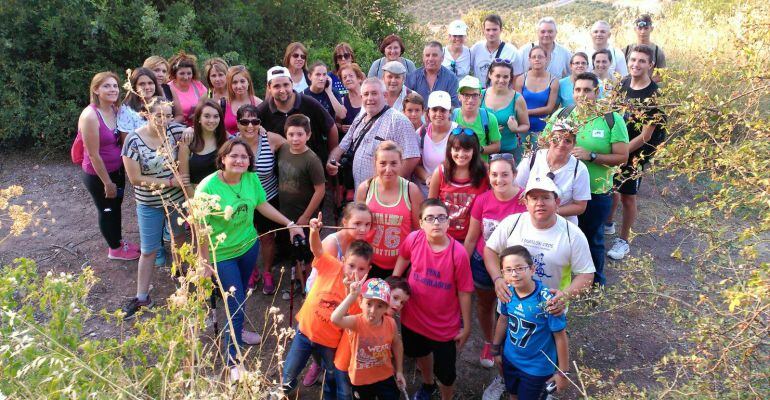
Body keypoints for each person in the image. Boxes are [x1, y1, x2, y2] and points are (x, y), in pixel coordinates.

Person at [195, 138, 303, 382]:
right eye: (234, 155)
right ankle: (233, 360)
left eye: (244, 157)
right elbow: (199, 227)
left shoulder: (251, 179)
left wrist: (289, 224)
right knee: (235, 301)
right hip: (221, 254)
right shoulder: (207, 187)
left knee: (240, 296)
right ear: (223, 158)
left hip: (248, 247)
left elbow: (262, 205)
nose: (240, 160)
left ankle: (238, 331)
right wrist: (203, 261)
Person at [481, 175, 593, 399]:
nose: (539, 203)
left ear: (557, 202)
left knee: (544, 352)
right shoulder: (513, 223)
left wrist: (564, 296)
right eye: (533, 198)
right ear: (525, 201)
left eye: (546, 198)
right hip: (513, 300)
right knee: (510, 348)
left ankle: (546, 386)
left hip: (549, 308)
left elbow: (587, 274)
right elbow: (490, 250)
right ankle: (506, 380)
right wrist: (497, 279)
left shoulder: (572, 233)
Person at [547, 72, 629, 286]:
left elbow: (622, 156)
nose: (582, 95)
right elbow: (544, 142)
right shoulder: (563, 115)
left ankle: (595, 283)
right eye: (578, 90)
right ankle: (560, 282)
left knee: (592, 238)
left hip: (596, 191)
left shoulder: (611, 119)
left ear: (597, 92)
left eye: (587, 90)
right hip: (563, 191)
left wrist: (592, 156)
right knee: (561, 237)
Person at [280, 217, 372, 400]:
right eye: (351, 265)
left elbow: (350, 325)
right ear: (344, 260)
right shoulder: (331, 265)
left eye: (361, 269)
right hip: (304, 332)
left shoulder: (361, 296)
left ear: (369, 269)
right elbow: (317, 250)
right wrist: (314, 232)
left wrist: (352, 294)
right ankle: (282, 392)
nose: (355, 272)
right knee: (289, 371)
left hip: (330, 343)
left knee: (331, 374)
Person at [392, 199, 473, 400]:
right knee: (421, 354)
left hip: (443, 326)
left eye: (441, 217)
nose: (436, 222)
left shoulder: (458, 254)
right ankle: (428, 385)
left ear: (448, 223)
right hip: (413, 317)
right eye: (430, 218)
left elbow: (464, 292)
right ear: (421, 223)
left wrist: (467, 326)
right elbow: (403, 256)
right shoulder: (414, 239)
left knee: (446, 373)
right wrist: (393, 284)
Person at [120, 97, 187, 319]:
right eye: (158, 115)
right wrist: (169, 182)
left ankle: (182, 279)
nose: (164, 120)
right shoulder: (133, 140)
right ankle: (141, 296)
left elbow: (194, 131)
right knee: (149, 250)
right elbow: (135, 178)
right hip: (149, 202)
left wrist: (191, 132)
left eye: (168, 115)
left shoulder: (175, 131)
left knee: (179, 240)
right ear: (146, 114)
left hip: (176, 200)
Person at [463, 153, 526, 369]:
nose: (499, 180)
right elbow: (472, 237)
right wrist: (461, 265)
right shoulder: (482, 200)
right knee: (485, 304)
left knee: (512, 308)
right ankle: (490, 342)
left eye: (505, 175)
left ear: (515, 175)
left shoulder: (525, 201)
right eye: (495, 175)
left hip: (515, 267)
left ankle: (511, 345)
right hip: (483, 262)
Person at [606, 45, 666, 261]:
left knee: (628, 196)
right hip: (618, 143)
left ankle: (624, 240)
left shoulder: (654, 95)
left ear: (650, 65)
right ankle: (608, 222)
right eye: (633, 60)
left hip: (638, 151)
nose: (636, 64)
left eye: (642, 61)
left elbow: (646, 136)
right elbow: (611, 113)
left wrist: (620, 155)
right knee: (611, 185)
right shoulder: (621, 84)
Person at [304, 203, 374, 386]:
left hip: (343, 293)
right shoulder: (331, 243)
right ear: (344, 222)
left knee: (335, 334)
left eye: (367, 224)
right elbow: (322, 274)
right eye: (358, 223)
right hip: (321, 291)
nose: (363, 229)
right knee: (316, 330)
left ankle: (332, 363)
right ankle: (317, 364)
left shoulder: (360, 244)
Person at [491, 245, 570, 399]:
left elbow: (560, 337)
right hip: (510, 359)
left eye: (520, 268)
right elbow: (503, 320)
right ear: (503, 274)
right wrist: (495, 348)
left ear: (532, 269)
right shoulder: (508, 292)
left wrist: (563, 372)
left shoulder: (547, 300)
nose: (514, 274)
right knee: (513, 394)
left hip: (537, 368)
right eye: (508, 269)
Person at [79, 71, 139, 261]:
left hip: (117, 170)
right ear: (96, 89)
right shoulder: (90, 116)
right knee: (106, 209)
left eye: (114, 86)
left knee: (116, 206)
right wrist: (107, 183)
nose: (112, 89)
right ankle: (114, 249)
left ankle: (119, 242)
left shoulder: (114, 109)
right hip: (99, 175)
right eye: (106, 86)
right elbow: (93, 154)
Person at [326, 78, 421, 189]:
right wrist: (331, 161)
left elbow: (412, 157)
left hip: (385, 196)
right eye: (366, 94)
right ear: (361, 98)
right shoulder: (359, 119)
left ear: (385, 95)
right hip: (361, 192)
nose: (370, 98)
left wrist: (389, 186)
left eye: (374, 93)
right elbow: (342, 146)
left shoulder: (398, 121)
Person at [232, 105, 285, 295]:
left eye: (255, 121)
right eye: (245, 122)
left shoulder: (270, 139)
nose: (250, 126)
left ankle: (267, 271)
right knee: (245, 238)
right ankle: (251, 270)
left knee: (267, 237)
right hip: (241, 200)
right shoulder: (232, 143)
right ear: (237, 123)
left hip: (268, 197)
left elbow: (295, 147)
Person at [354, 141, 423, 279]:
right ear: (375, 163)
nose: (388, 169)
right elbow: (356, 226)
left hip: (401, 264)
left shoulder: (411, 190)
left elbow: (418, 232)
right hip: (370, 263)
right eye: (383, 163)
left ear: (401, 163)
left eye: (393, 163)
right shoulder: (365, 189)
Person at [275, 114, 326, 293]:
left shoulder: (311, 160)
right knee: (294, 251)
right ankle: (298, 280)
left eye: (299, 134)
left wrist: (305, 215)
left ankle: (310, 285)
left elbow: (320, 190)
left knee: (308, 252)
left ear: (308, 135)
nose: (295, 139)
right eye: (291, 134)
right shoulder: (283, 149)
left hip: (305, 215)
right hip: (286, 213)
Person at [331, 278, 405, 400]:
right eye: (369, 303)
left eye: (379, 306)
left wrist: (399, 371)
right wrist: (352, 295)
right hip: (361, 381)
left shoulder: (391, 323)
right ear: (360, 302)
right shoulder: (356, 322)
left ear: (386, 308)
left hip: (385, 375)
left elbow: (397, 344)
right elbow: (335, 319)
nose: (372, 311)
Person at [256, 66, 337, 163]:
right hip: (282, 170)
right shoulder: (262, 111)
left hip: (314, 164)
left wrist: (332, 158)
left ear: (292, 84)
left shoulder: (309, 103)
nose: (282, 90)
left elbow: (331, 128)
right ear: (269, 88)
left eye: (286, 85)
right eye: (277, 86)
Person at [515, 122, 590, 226]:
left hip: (563, 224)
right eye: (556, 138)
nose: (561, 144)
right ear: (549, 139)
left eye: (567, 141)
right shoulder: (532, 158)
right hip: (531, 222)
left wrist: (550, 212)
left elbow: (580, 206)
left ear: (574, 144)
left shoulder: (579, 169)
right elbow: (516, 189)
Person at [428, 128, 489, 242]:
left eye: (466, 149)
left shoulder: (485, 171)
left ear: (474, 150)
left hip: (474, 239)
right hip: (444, 238)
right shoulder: (440, 171)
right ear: (449, 150)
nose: (461, 154)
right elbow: (429, 207)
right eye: (456, 149)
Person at [482, 59, 530, 162]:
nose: (501, 80)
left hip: (508, 151)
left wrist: (516, 129)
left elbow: (526, 125)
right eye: (497, 76)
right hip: (484, 151)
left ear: (510, 78)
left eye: (505, 77)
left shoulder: (517, 98)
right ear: (490, 75)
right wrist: (490, 130)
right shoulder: (480, 95)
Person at [178, 99, 229, 194]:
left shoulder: (225, 139)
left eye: (216, 116)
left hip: (223, 196)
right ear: (199, 119)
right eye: (207, 116)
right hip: (197, 197)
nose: (212, 120)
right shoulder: (188, 141)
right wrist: (195, 203)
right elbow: (185, 181)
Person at [515, 46, 559, 153]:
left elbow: (549, 108)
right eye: (533, 57)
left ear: (546, 59)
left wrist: (526, 112)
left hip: (542, 129)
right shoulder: (521, 79)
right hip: (522, 128)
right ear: (529, 60)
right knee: (521, 161)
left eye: (540, 56)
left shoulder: (553, 81)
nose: (537, 59)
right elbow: (517, 105)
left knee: (539, 160)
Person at [414, 91, 456, 196]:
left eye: (443, 110)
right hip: (425, 191)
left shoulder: (459, 132)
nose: (438, 114)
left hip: (451, 191)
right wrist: (428, 178)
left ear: (450, 112)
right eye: (434, 109)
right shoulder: (420, 133)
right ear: (428, 112)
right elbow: (415, 164)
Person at [453, 75, 501, 160]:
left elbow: (497, 146)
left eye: (474, 95)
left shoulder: (489, 118)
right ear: (459, 97)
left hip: (480, 168)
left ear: (480, 96)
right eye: (466, 95)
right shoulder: (452, 116)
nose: (470, 100)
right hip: (456, 168)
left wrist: (480, 149)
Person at [405, 41, 460, 108]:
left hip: (442, 117)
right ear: (423, 58)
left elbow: (455, 105)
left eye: (434, 55)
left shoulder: (451, 79)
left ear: (442, 58)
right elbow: (405, 102)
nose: (430, 59)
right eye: (427, 55)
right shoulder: (412, 77)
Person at [470, 14, 520, 87]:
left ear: (501, 30)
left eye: (494, 29)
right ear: (483, 30)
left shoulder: (512, 52)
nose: (491, 33)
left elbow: (517, 78)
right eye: (488, 30)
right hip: (479, 95)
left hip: (502, 96)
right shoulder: (476, 48)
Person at [117, 68, 163, 137]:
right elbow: (127, 141)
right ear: (134, 87)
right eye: (142, 84)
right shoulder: (127, 109)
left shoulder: (162, 104)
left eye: (150, 83)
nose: (147, 87)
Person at [167, 51, 207, 126]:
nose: (186, 77)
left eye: (189, 73)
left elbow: (208, 100)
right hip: (176, 127)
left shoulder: (198, 85)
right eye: (182, 73)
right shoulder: (168, 88)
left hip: (197, 126)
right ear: (174, 74)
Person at [624, 14, 666, 83]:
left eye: (646, 28)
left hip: (648, 91)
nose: (643, 32)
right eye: (640, 28)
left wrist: (645, 83)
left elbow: (662, 75)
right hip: (628, 90)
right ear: (635, 29)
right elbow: (618, 73)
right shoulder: (626, 50)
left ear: (651, 29)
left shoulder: (657, 52)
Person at [222, 65, 263, 134]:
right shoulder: (222, 104)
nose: (239, 86)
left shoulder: (259, 104)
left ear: (248, 82)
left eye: (242, 81)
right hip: (229, 144)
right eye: (235, 82)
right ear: (230, 85)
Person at [337, 63, 365, 138]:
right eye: (344, 77)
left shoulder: (369, 97)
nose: (348, 79)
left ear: (359, 78)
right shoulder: (342, 101)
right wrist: (341, 128)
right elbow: (336, 123)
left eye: (351, 76)